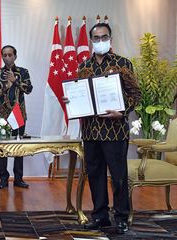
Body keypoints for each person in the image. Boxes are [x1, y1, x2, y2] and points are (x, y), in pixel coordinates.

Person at [64, 23, 141, 234]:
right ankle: (99, 216)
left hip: (115, 131)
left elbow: (136, 95)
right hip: (91, 131)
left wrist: (122, 112)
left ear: (110, 38)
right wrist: (70, 99)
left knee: (118, 176)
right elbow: (80, 95)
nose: (100, 41)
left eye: (103, 37)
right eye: (96, 38)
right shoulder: (84, 66)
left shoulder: (122, 64)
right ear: (91, 41)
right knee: (95, 175)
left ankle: (122, 217)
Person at [0, 45, 33, 189]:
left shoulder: (23, 72)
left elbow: (29, 89)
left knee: (18, 147)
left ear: (15, 56)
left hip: (19, 115)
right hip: (2, 116)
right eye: (4, 55)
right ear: (2, 57)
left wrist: (15, 81)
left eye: (10, 55)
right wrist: (6, 86)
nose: (7, 57)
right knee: (2, 148)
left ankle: (18, 178)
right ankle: (3, 179)